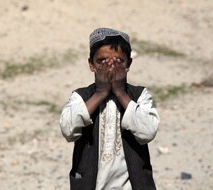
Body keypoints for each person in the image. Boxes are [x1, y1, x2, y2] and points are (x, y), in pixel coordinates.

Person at [59, 27, 160, 190]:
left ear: (128, 64)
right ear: (91, 65)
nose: (110, 69)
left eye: (118, 62)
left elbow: (148, 131)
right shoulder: (81, 97)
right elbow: (68, 130)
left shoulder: (139, 96)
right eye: (102, 62)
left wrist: (120, 93)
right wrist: (100, 93)